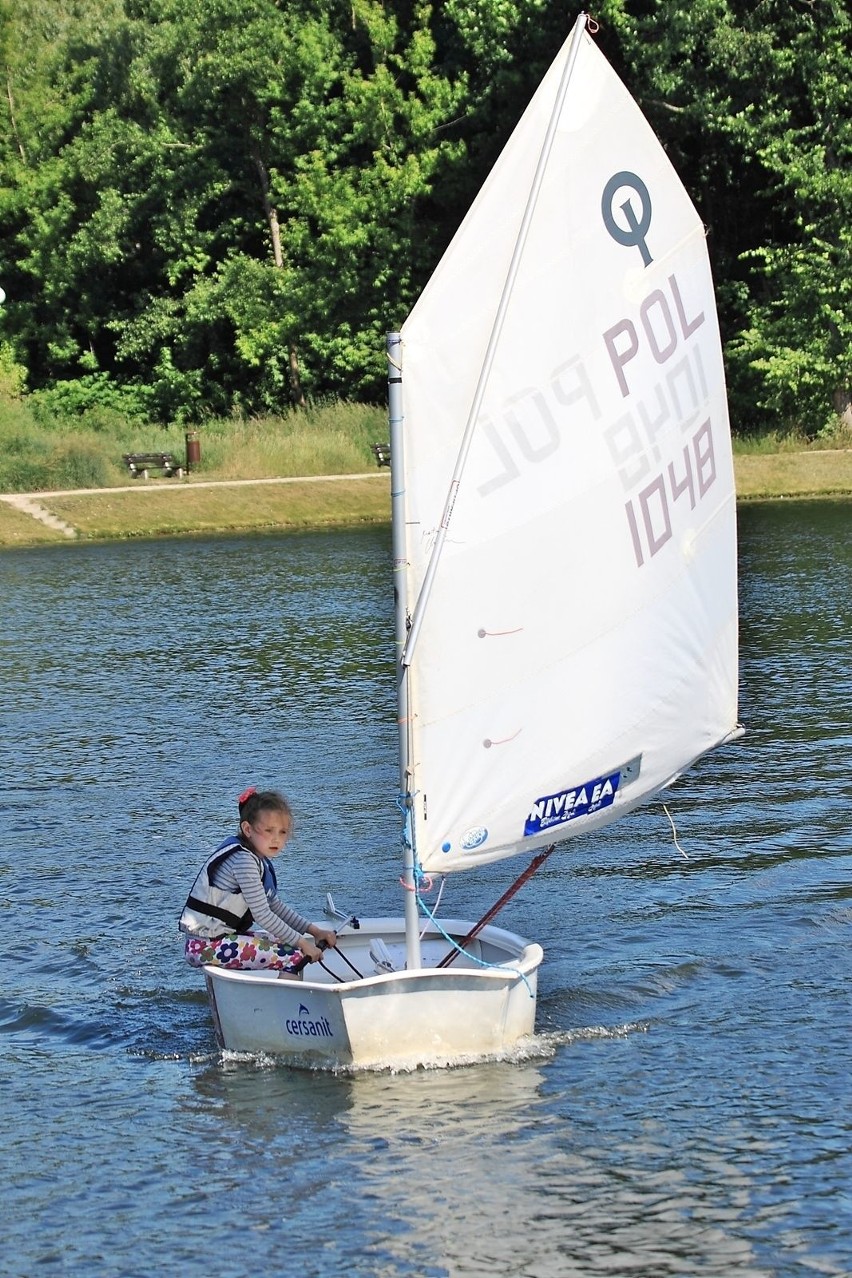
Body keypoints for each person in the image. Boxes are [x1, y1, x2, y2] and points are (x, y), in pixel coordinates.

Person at [179, 786, 337, 975]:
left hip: (218, 939)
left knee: (287, 943)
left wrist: (314, 931)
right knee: (297, 956)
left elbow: (274, 906)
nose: (276, 839)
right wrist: (303, 943)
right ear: (248, 829)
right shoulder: (244, 860)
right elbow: (262, 914)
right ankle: (285, 1004)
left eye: (283, 832)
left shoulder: (256, 859)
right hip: (205, 945)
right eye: (269, 831)